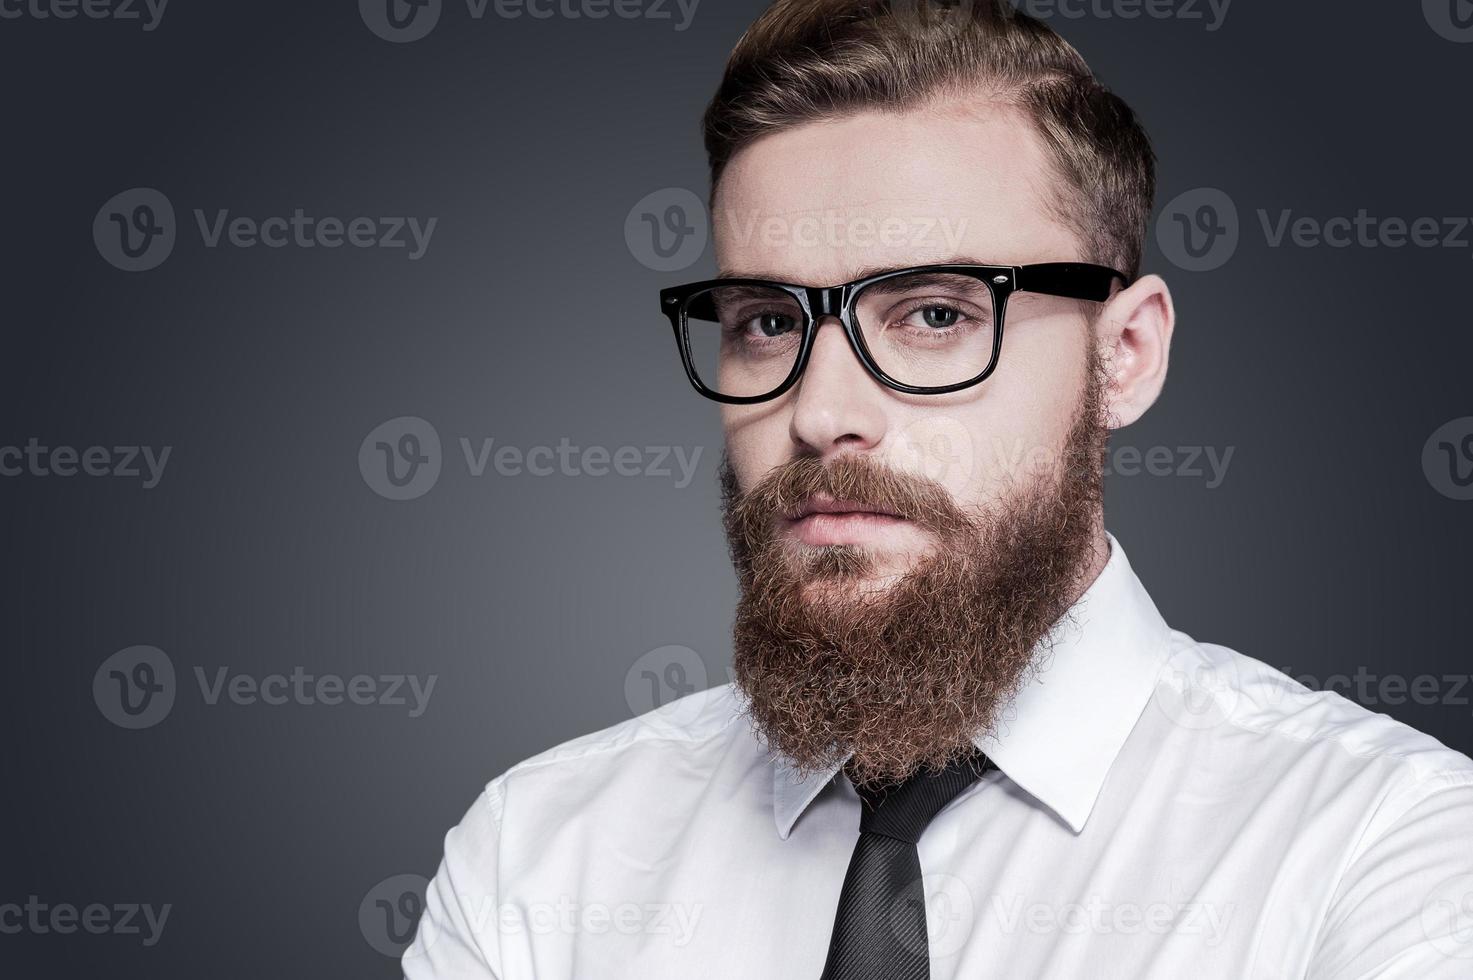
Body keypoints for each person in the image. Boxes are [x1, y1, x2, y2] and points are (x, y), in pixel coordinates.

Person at [405, 2, 1473, 976]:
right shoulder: (538, 860)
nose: (822, 412)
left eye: (933, 315)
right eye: (768, 322)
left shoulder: (1382, 849)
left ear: (1127, 354)